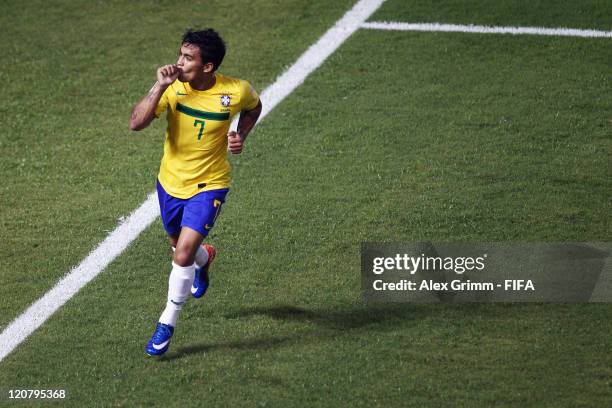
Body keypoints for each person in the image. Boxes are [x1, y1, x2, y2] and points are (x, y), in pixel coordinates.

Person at [129, 29, 262, 356]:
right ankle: (206, 259)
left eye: (188, 58)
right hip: (170, 183)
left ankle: (167, 323)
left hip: (210, 184)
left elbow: (254, 108)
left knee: (181, 254)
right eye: (180, 55)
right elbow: (136, 123)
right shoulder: (172, 86)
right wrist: (160, 86)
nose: (179, 62)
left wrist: (240, 135)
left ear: (208, 66)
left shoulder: (235, 90)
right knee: (181, 248)